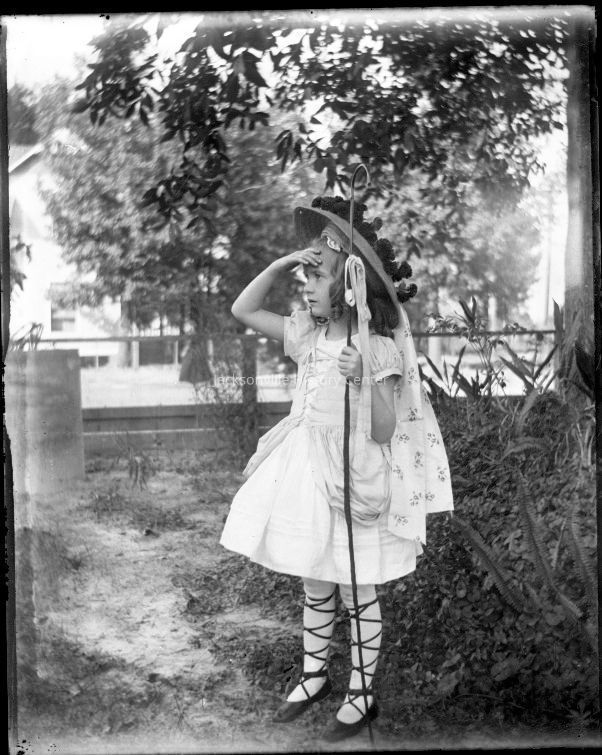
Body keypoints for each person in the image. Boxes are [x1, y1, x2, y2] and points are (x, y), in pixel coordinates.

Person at [220, 195, 454, 742]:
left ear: (350, 286)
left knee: (356, 584)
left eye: (317, 275)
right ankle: (314, 675)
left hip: (356, 475)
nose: (305, 286)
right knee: (316, 575)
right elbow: (243, 310)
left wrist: (364, 376)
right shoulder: (306, 332)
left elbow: (383, 431)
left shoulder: (377, 348)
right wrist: (280, 264)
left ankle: (362, 691)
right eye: (303, 275)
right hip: (305, 469)